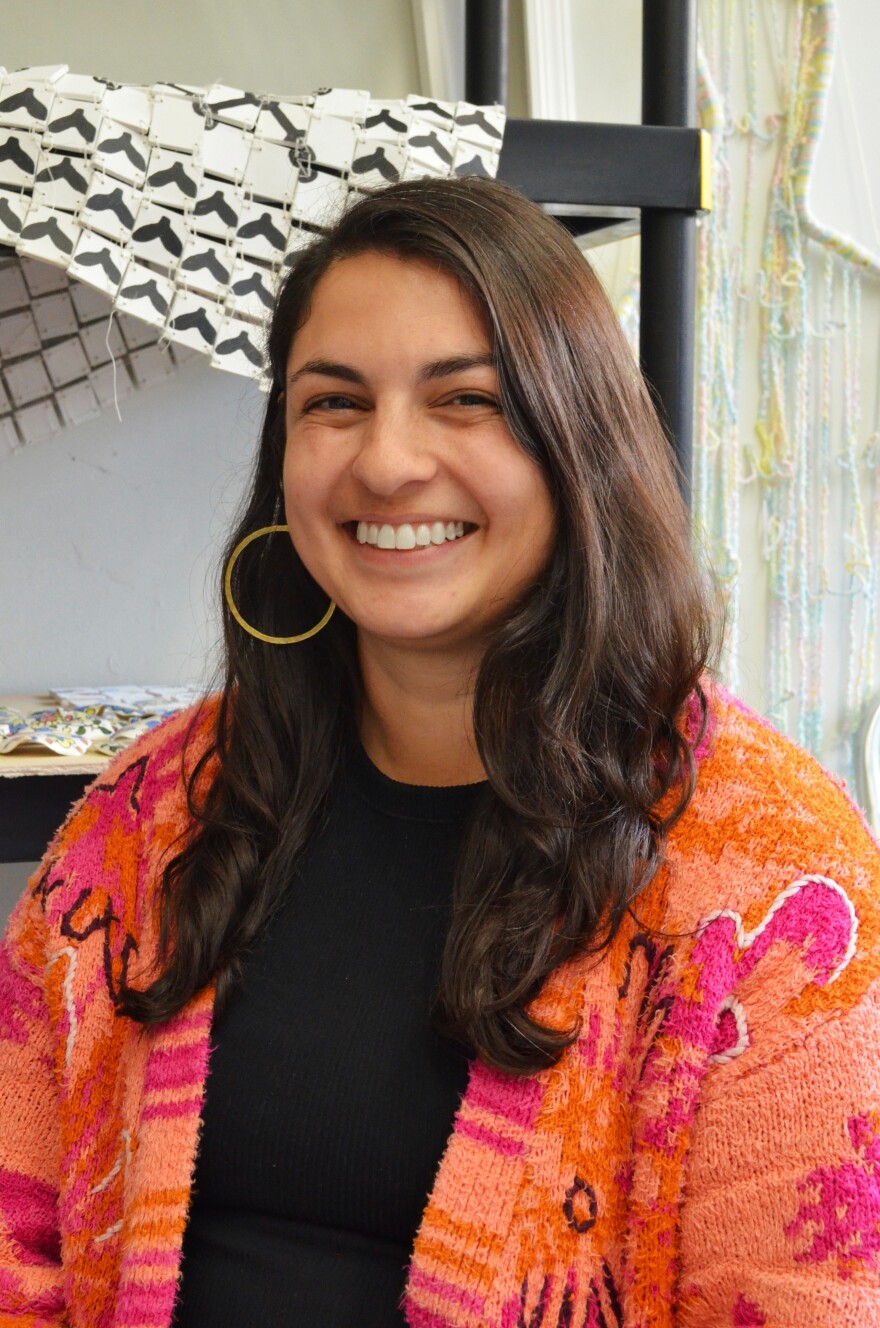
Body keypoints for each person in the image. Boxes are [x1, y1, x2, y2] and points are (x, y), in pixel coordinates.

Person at [1, 176, 879, 1328]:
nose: (387, 462)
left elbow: (810, 1295)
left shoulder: (775, 869)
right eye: (335, 402)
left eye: (464, 399)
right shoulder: (148, 812)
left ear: (581, 443)